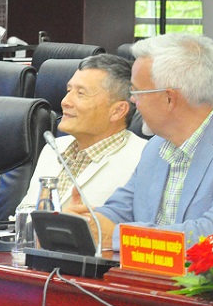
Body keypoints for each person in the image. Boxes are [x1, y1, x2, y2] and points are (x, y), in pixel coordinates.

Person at [68, 33, 213, 250]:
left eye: (137, 92)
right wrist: (86, 223)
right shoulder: (156, 146)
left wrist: (117, 236)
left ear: (169, 98)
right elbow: (122, 209)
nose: (132, 100)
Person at [17, 54, 147, 211]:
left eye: (80, 93)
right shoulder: (54, 147)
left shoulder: (143, 158)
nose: (65, 102)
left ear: (118, 111)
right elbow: (26, 209)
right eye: (68, 90)